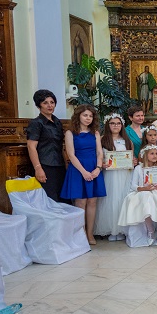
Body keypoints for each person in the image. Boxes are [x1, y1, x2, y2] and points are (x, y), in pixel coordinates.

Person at [61, 104, 107, 245]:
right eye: (85, 115)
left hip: (94, 168)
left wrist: (98, 168)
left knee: (93, 201)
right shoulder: (70, 133)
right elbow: (70, 154)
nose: (88, 118)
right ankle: (79, 234)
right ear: (78, 116)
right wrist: (83, 172)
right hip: (78, 169)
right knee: (81, 202)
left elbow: (100, 152)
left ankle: (90, 234)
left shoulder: (96, 133)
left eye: (90, 116)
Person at [95, 113, 134, 241]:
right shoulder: (102, 140)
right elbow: (98, 157)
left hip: (125, 175)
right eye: (112, 123)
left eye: (118, 123)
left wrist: (133, 161)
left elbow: (132, 157)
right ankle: (112, 229)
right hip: (110, 175)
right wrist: (102, 165)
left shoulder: (127, 141)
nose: (115, 126)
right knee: (111, 200)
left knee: (123, 199)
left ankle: (123, 229)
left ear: (122, 125)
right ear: (107, 125)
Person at [27, 90, 66, 202]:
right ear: (39, 105)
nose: (50, 105)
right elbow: (31, 147)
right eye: (45, 103)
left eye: (52, 102)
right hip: (45, 165)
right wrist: (38, 168)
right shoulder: (36, 123)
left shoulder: (57, 122)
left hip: (59, 165)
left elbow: (60, 145)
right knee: (50, 199)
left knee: (62, 199)